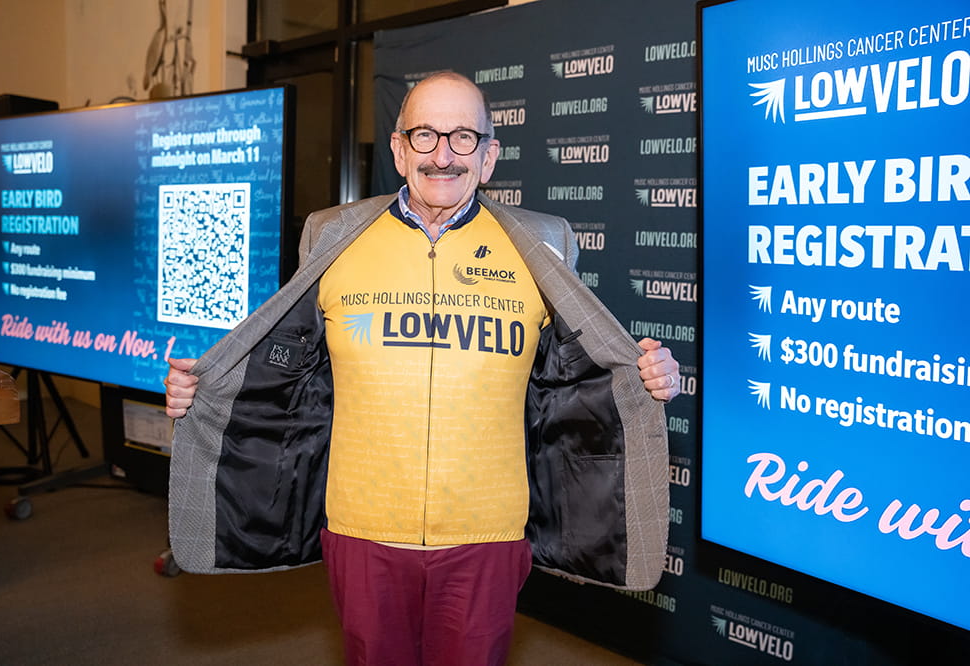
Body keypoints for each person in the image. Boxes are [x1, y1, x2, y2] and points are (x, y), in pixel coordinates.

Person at [164, 71, 678, 666]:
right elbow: (290, 368)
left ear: (489, 156)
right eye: (425, 135)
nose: (442, 155)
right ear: (398, 150)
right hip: (362, 529)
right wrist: (204, 389)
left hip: (487, 533)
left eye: (463, 137)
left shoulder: (545, 243)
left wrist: (645, 379)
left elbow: (574, 376)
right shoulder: (331, 235)